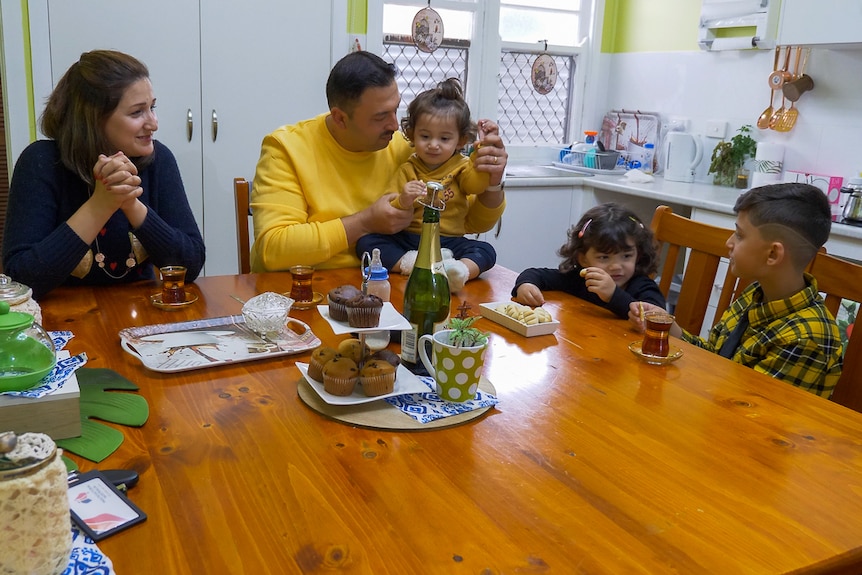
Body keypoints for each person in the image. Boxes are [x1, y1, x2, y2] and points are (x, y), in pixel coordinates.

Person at [250, 51, 507, 274]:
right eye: (381, 116)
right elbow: (273, 250)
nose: (395, 126)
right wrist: (365, 223)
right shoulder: (285, 149)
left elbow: (472, 223)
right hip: (311, 287)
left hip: (390, 285)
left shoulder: (406, 147)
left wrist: (492, 182)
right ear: (340, 118)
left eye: (396, 110)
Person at [3, 50, 205, 300]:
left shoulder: (158, 159)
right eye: (137, 112)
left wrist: (130, 202)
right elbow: (21, 280)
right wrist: (101, 204)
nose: (153, 123)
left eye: (152, 108)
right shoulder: (41, 161)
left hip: (144, 320)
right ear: (93, 119)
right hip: (66, 319)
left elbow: (191, 265)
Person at [631, 183, 843, 398]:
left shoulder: (806, 339)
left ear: (772, 254)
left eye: (740, 235)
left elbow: (751, 410)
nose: (729, 242)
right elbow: (716, 357)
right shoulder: (756, 294)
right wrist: (669, 327)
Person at [355, 77, 500, 292]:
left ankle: (458, 271)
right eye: (425, 136)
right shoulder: (409, 168)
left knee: (486, 250)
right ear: (412, 134)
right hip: (409, 240)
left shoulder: (462, 166)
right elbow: (390, 207)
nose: (433, 145)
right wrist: (404, 199)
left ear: (460, 141)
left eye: (444, 138)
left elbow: (475, 186)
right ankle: (412, 265)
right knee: (367, 243)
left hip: (449, 240)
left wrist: (481, 151)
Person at [513, 203, 665, 318]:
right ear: (583, 259)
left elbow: (654, 318)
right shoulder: (578, 279)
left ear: (638, 255)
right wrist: (526, 285)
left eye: (626, 256)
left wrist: (613, 295)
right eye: (604, 257)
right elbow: (537, 274)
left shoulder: (643, 287)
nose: (616, 266)